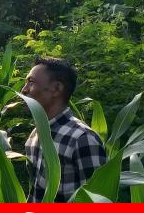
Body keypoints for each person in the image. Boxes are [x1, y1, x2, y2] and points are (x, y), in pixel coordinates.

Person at [21, 56, 106, 203]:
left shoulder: (82, 138)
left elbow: (100, 206)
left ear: (56, 89)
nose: (24, 90)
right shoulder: (35, 135)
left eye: (31, 82)